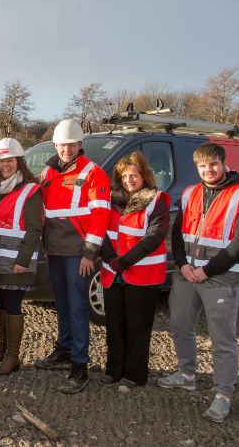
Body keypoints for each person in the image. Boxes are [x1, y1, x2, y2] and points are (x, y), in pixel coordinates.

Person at [158, 142, 239, 423]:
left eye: (213, 164)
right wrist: (182, 264)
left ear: (224, 163)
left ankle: (223, 394)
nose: (208, 170)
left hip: (221, 279)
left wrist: (208, 270)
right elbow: (178, 234)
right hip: (187, 275)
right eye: (203, 166)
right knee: (179, 326)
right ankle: (187, 374)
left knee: (221, 339)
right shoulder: (190, 193)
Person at [35, 119, 111, 394]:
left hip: (78, 253)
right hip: (54, 249)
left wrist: (90, 253)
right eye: (62, 145)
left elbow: (101, 215)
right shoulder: (49, 172)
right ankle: (64, 348)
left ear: (80, 145)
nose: (67, 149)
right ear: (56, 145)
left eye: (72, 144)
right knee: (63, 304)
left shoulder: (93, 173)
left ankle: (80, 365)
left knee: (78, 307)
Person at [99, 151, 170, 388]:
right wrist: (110, 256)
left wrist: (126, 261)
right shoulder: (110, 200)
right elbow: (100, 228)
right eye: (125, 175)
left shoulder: (157, 199)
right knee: (114, 324)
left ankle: (136, 374)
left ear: (144, 176)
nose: (129, 180)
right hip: (113, 272)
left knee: (137, 327)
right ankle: (113, 369)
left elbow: (155, 236)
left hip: (142, 274)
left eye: (134, 175)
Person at [0, 138, 43, 375]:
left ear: (19, 161)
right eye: (1, 161)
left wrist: (23, 261)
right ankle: (0, 351)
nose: (6, 165)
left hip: (16, 261)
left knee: (13, 306)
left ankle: (12, 357)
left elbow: (34, 229)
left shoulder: (30, 190)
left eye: (10, 160)